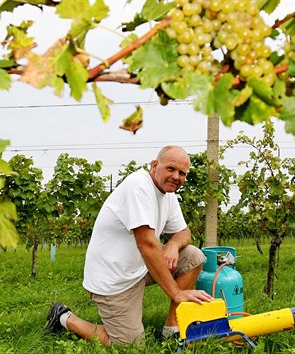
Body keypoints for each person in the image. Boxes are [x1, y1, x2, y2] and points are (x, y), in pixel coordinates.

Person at [45, 145, 213, 346]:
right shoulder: (138, 186)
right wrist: (176, 292)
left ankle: (171, 328)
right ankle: (63, 317)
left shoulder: (168, 195)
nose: (176, 176)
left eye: (182, 173)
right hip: (113, 280)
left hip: (139, 268)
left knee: (192, 256)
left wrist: (173, 245)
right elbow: (146, 244)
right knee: (129, 344)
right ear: (155, 165)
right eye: (171, 169)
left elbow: (185, 233)